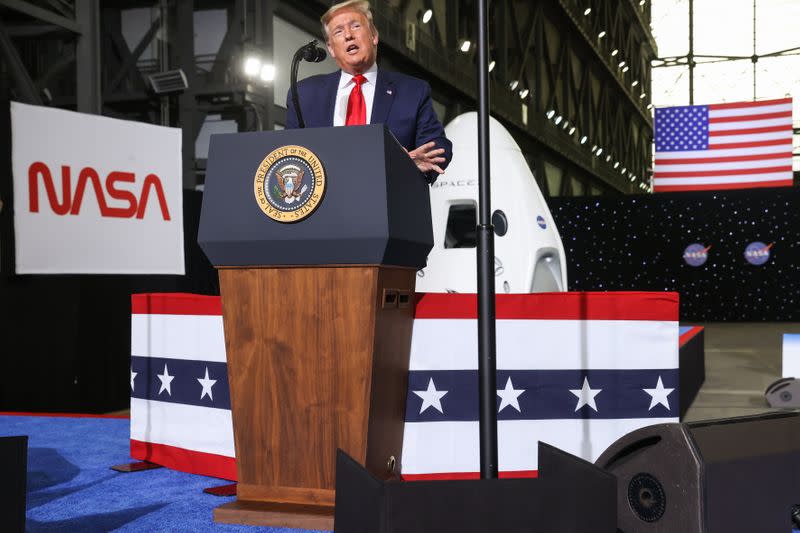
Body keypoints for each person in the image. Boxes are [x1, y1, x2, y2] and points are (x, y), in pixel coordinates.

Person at [285, 0, 452, 182]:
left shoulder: (412, 91)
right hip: (325, 203)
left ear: (374, 36)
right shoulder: (304, 94)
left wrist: (407, 163)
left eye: (356, 26)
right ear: (331, 49)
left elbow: (438, 147)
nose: (348, 35)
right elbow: (287, 154)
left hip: (389, 198)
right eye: (338, 31)